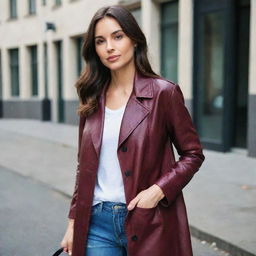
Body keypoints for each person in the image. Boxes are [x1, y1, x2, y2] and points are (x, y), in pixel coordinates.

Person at [60, 4, 205, 256]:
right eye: (100, 41)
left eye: (118, 36)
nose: (109, 47)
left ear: (134, 40)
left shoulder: (163, 93)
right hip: (96, 224)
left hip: (149, 219)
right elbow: (83, 166)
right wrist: (74, 223)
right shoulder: (92, 98)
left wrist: (157, 191)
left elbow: (193, 154)